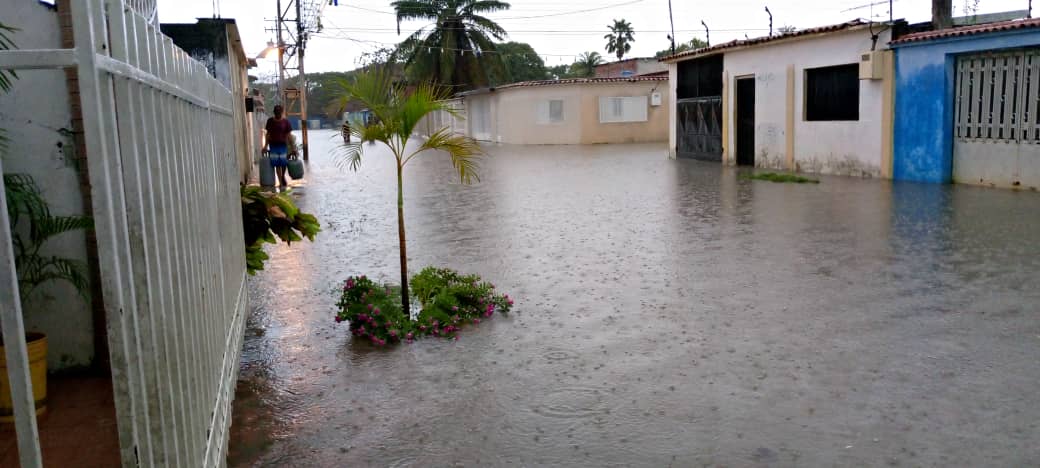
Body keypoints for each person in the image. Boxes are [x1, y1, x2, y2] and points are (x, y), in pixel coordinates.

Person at [265, 105, 292, 186]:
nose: (278, 113)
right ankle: (280, 182)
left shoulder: (286, 122)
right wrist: (265, 146)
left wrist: (293, 147)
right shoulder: (270, 121)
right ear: (274, 112)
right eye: (276, 112)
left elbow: (289, 135)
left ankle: (282, 176)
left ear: (282, 112)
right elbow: (268, 134)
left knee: (283, 163)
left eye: (279, 112)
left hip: (283, 145)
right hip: (273, 145)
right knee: (277, 164)